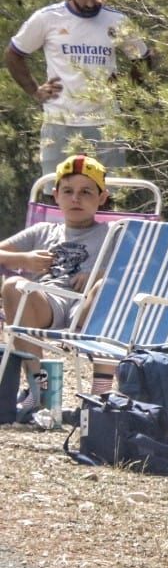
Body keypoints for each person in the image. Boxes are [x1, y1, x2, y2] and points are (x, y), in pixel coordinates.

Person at [8, 0, 151, 176]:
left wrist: (125, 89)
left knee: (108, 194)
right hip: (59, 120)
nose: (90, 3)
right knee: (56, 192)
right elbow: (14, 54)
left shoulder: (116, 21)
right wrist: (35, 90)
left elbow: (143, 58)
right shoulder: (48, 18)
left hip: (105, 122)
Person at [0, 153, 112, 415]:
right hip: (47, 303)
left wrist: (101, 275)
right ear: (56, 195)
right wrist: (23, 259)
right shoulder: (43, 231)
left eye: (86, 192)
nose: (76, 198)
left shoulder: (114, 232)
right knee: (14, 285)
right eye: (68, 191)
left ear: (102, 198)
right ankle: (38, 388)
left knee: (108, 286)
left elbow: (141, 268)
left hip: (86, 308)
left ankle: (99, 394)